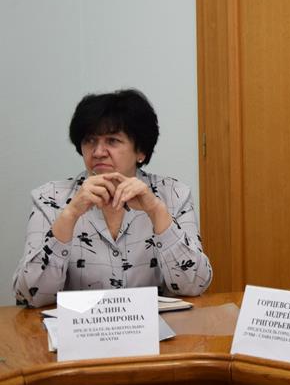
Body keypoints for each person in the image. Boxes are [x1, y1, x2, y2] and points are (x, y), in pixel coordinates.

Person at [13, 89, 212, 307]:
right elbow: (29, 295)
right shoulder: (50, 198)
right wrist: (70, 215)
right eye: (90, 140)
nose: (98, 152)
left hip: (155, 326)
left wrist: (156, 211)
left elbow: (194, 285)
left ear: (140, 151)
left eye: (113, 140)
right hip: (79, 326)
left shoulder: (174, 194)